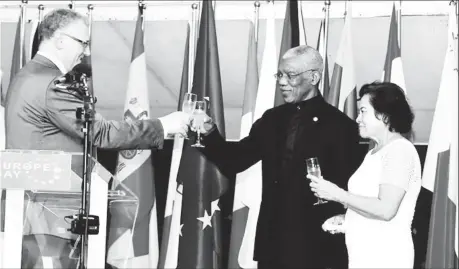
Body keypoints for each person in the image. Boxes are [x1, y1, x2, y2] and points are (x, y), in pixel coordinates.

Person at [2, 8, 189, 268]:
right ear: (60, 40)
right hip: (48, 221)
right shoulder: (51, 83)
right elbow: (100, 132)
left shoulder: (26, 77)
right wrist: (163, 126)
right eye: (83, 42)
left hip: (37, 218)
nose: (87, 52)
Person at [192, 45, 362, 269]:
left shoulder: (341, 126)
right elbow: (235, 160)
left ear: (314, 77)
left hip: (318, 248)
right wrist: (209, 133)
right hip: (273, 245)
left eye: (290, 75)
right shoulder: (272, 119)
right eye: (279, 74)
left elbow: (351, 190)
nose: (282, 81)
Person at [308, 81, 421, 268]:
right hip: (363, 255)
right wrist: (349, 218)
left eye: (363, 111)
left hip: (386, 257)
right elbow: (371, 204)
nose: (357, 118)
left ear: (384, 115)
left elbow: (386, 210)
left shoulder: (399, 151)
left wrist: (337, 194)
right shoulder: (373, 153)